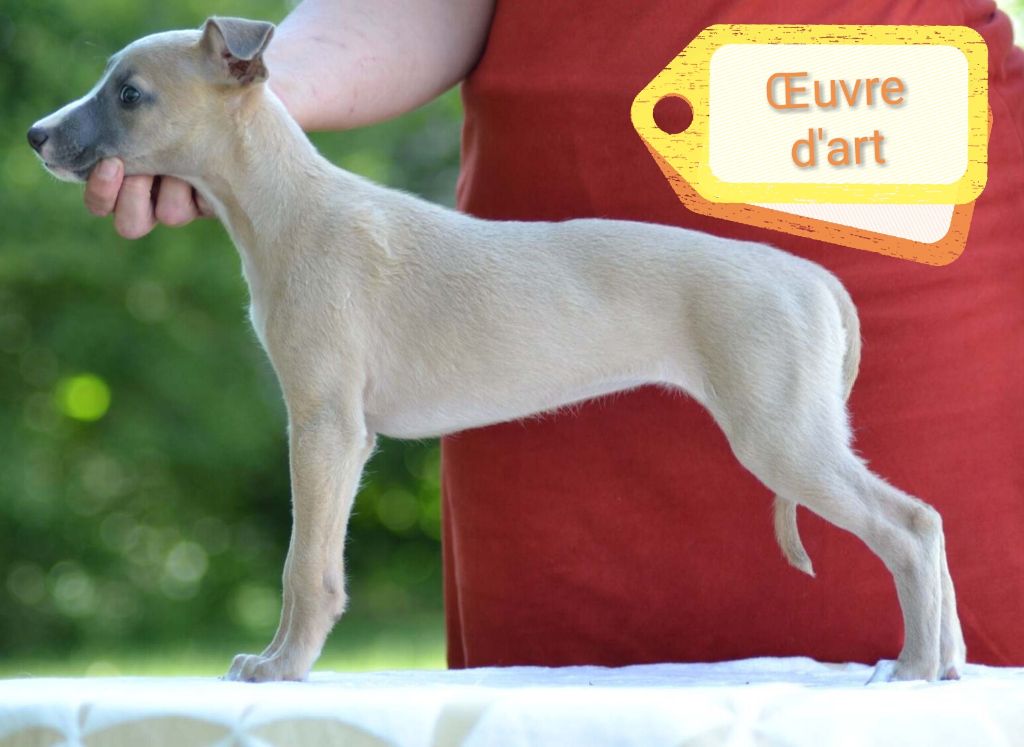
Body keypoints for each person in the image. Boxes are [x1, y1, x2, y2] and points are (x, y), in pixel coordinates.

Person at [84, 0, 1024, 668]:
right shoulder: (315, 239)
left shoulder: (328, 253)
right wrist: (242, 100)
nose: (67, 126)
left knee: (801, 463)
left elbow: (328, 429)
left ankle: (928, 637)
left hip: (896, 201)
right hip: (595, 286)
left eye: (124, 98)